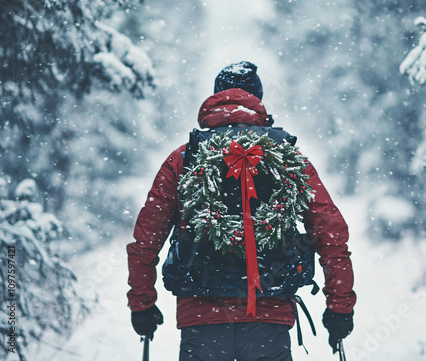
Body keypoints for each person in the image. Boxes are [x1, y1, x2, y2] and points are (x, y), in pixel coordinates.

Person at [127, 61, 356, 360]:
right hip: (269, 320)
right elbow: (330, 232)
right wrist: (340, 306)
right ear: (257, 100)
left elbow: (146, 241)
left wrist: (142, 303)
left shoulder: (184, 158)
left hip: (202, 320)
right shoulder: (285, 156)